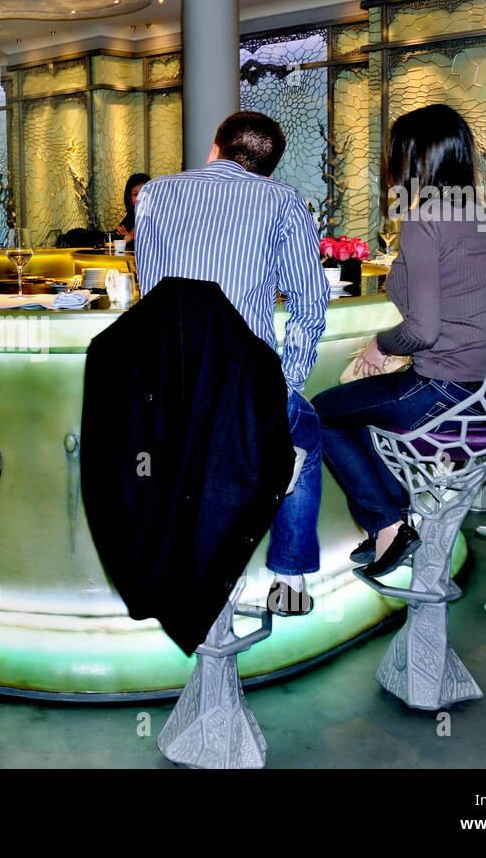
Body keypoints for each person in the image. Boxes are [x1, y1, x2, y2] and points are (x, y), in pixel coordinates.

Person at [135, 111, 329, 615]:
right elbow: (311, 305)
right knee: (305, 432)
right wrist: (287, 384)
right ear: (268, 169)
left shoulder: (154, 193)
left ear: (214, 148)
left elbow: (153, 294)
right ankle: (289, 578)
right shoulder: (283, 201)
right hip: (244, 392)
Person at [312, 104, 486, 578]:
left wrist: (380, 345)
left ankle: (387, 524)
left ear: (414, 158)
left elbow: (422, 330)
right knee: (354, 407)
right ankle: (397, 515)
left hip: (444, 389)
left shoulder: (424, 220)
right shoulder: (484, 216)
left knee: (321, 411)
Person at [114, 172, 150, 247]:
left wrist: (131, 239)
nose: (140, 197)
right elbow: (115, 235)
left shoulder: (159, 216)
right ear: (130, 199)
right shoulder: (131, 216)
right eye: (135, 194)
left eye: (144, 192)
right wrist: (126, 237)